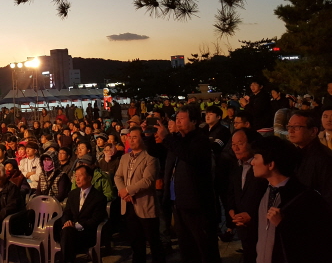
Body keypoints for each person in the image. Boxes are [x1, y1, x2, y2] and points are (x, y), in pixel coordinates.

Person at [251, 136, 332, 262]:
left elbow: (319, 242)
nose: (252, 162)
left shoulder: (305, 199)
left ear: (271, 164)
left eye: (256, 157)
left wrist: (284, 224)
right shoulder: (264, 191)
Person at [157, 106, 220, 263]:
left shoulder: (200, 139)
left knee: (204, 247)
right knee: (186, 248)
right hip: (178, 203)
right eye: (176, 118)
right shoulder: (178, 139)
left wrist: (168, 138)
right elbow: (159, 152)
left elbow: (189, 156)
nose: (178, 122)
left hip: (197, 204)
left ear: (194, 121)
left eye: (182, 119)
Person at [114, 127, 165, 263]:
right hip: (128, 204)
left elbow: (147, 181)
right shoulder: (124, 158)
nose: (131, 140)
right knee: (136, 242)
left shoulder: (150, 158)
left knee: (153, 240)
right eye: (130, 137)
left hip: (145, 204)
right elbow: (118, 176)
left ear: (142, 139)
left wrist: (128, 190)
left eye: (135, 137)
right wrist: (123, 191)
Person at [225, 129, 267, 263]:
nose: (235, 148)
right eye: (233, 144)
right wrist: (231, 209)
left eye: (240, 144)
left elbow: (265, 196)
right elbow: (232, 190)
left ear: (251, 144)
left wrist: (252, 215)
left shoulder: (262, 167)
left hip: (260, 226)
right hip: (242, 225)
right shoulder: (236, 165)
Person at [53, 165, 108, 263]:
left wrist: (76, 226)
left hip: (87, 233)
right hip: (69, 230)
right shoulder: (73, 194)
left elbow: (96, 220)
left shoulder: (99, 197)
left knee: (67, 233)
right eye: (75, 176)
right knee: (58, 227)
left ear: (89, 178)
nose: (77, 179)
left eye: (80, 175)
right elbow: (66, 212)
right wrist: (67, 222)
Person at [286, 109, 332, 209]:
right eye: (289, 126)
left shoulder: (324, 158)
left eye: (297, 127)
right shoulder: (293, 154)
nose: (290, 130)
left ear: (313, 131)